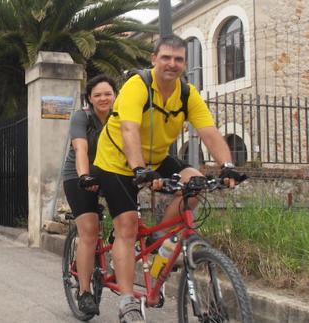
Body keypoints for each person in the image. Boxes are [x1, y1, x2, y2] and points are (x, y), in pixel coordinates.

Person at [93, 35, 246, 323]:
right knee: (126, 226)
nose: (172, 64)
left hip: (156, 157)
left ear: (185, 64)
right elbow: (129, 130)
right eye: (166, 57)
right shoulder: (137, 86)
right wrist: (140, 171)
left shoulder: (187, 94)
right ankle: (127, 302)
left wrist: (227, 166)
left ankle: (165, 244)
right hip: (116, 160)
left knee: (194, 181)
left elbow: (209, 131)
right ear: (154, 59)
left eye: (178, 59)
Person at [62, 75, 117, 315]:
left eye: (108, 93)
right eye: (97, 95)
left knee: (128, 220)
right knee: (90, 232)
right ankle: (84, 292)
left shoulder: (121, 118)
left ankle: (114, 260)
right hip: (78, 177)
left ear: (115, 95)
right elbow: (81, 148)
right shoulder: (81, 117)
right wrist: (85, 176)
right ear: (90, 99)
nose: (103, 98)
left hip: (109, 174)